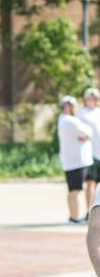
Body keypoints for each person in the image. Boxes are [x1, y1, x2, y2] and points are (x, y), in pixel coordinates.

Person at [57, 95, 93, 224]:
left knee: (73, 190)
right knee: (76, 190)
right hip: (76, 162)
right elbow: (88, 132)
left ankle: (73, 216)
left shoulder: (63, 120)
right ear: (67, 107)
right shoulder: (70, 121)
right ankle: (75, 217)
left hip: (72, 161)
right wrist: (87, 135)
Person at [77, 87, 100, 214]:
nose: (92, 100)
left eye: (94, 98)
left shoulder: (99, 112)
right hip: (90, 154)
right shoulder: (81, 114)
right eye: (89, 98)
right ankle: (89, 210)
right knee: (91, 183)